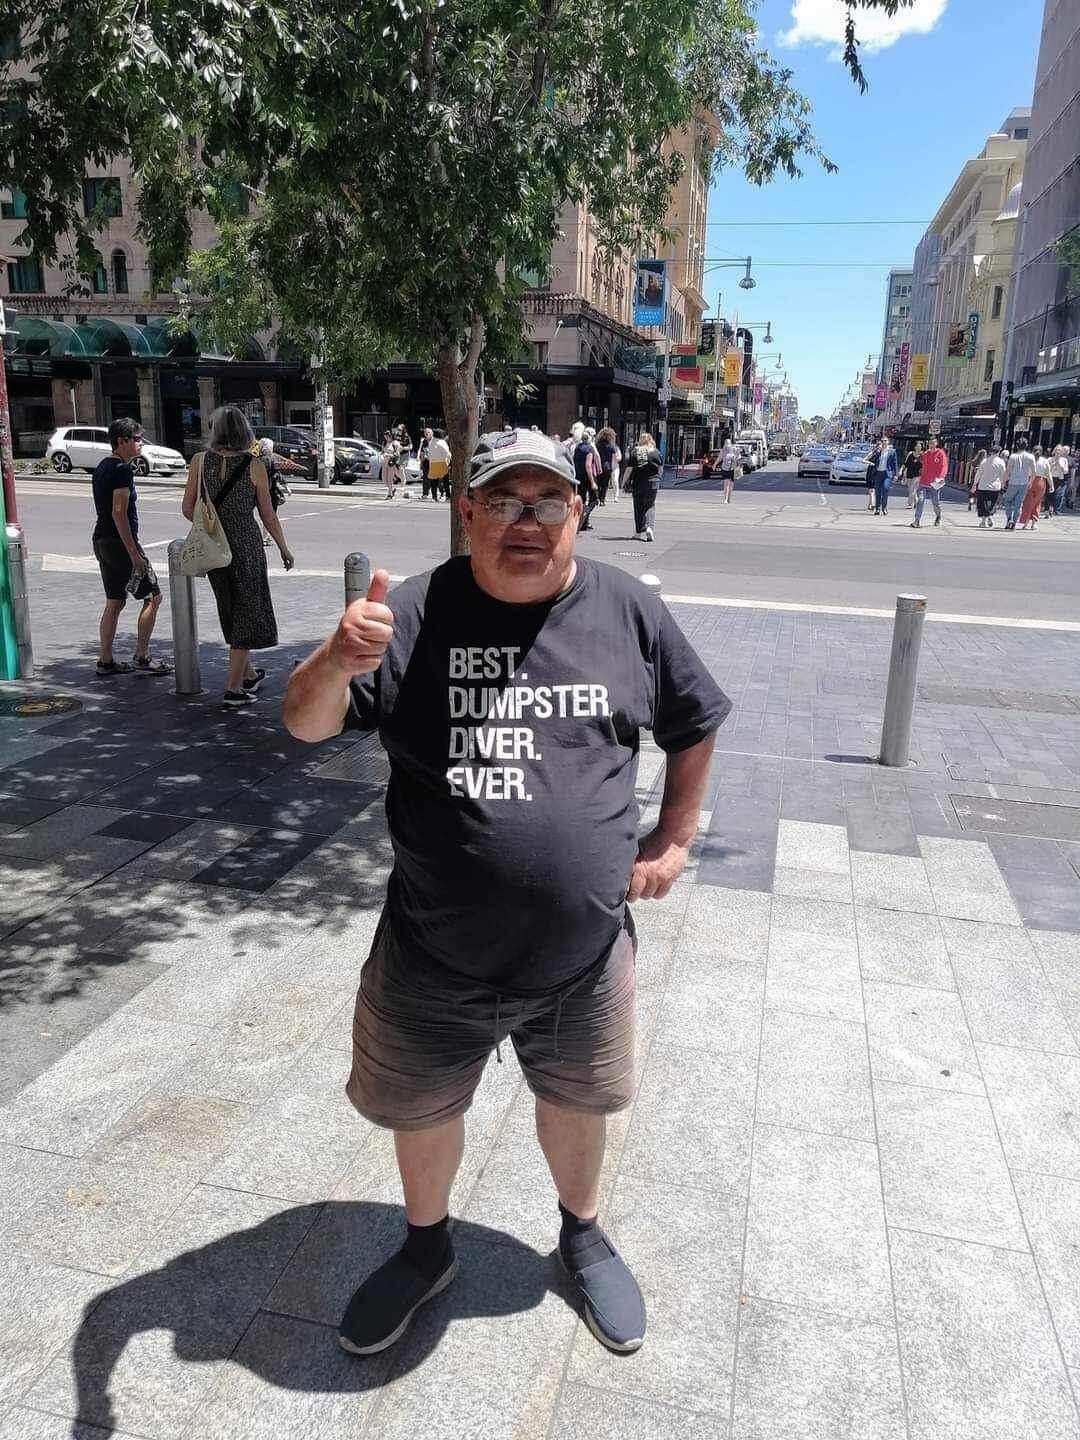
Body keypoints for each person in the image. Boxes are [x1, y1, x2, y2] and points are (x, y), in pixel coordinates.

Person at [283, 426, 731, 1359]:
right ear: (468, 511)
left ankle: (581, 1235)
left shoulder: (627, 611)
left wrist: (675, 838)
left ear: (578, 511)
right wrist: (335, 660)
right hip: (429, 951)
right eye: (502, 501)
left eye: (548, 502)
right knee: (422, 1108)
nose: (526, 522)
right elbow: (305, 725)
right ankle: (425, 1246)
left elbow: (696, 720)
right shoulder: (406, 615)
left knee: (578, 1100)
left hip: (583, 955)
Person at [182, 406, 294, 707]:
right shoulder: (254, 465)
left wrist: (212, 521)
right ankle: (233, 689)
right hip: (246, 545)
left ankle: (248, 675)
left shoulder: (199, 461)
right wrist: (283, 548)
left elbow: (187, 508)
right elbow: (268, 516)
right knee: (247, 610)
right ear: (245, 432)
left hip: (214, 547)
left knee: (230, 606)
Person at [92, 417, 171, 677]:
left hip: (102, 540)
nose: (140, 443)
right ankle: (143, 656)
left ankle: (105, 660)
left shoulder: (103, 466)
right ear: (121, 441)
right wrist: (135, 554)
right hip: (119, 543)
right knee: (153, 596)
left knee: (114, 600)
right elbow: (119, 514)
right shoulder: (121, 470)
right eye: (136, 439)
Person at [623, 431, 663, 540]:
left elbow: (629, 469)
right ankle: (650, 527)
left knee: (638, 506)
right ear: (651, 440)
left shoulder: (636, 452)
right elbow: (660, 468)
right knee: (650, 505)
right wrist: (658, 478)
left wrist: (623, 482)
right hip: (653, 482)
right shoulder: (656, 452)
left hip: (639, 482)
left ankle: (638, 532)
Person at [912, 438, 947, 528]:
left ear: (936, 444)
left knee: (935, 502)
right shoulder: (926, 454)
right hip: (924, 481)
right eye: (929, 443)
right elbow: (919, 459)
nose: (931, 445)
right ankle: (917, 520)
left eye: (933, 443)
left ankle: (938, 516)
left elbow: (944, 466)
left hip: (935, 482)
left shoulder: (940, 453)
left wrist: (941, 477)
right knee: (920, 500)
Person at [1002, 437, 1035, 529]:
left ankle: (1009, 518)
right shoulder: (1030, 457)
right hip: (1024, 483)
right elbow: (1033, 472)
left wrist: (1003, 482)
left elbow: (1008, 471)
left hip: (1013, 482)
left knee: (1007, 500)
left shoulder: (1013, 457)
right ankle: (1014, 522)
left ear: (1017, 446)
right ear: (1026, 445)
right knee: (1018, 503)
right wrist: (1030, 482)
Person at [574, 427, 600, 531]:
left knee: (582, 499)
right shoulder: (589, 448)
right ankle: (584, 520)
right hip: (587, 477)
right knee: (594, 499)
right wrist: (593, 482)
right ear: (589, 438)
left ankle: (583, 522)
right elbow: (588, 465)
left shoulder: (577, 447)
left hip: (578, 476)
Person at [973, 444, 1006, 528]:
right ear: (998, 452)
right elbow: (1003, 475)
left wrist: (974, 484)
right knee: (992, 504)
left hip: (983, 486)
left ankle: (983, 521)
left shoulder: (984, 461)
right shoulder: (1001, 462)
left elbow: (978, 474)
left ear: (991, 452)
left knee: (982, 504)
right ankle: (989, 516)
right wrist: (1003, 485)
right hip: (995, 487)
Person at [1020, 447, 1052, 529]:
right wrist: (1051, 485)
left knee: (1027, 502)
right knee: (1037, 503)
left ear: (1032, 451)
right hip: (1040, 482)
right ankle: (1033, 523)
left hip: (1029, 480)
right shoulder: (1045, 461)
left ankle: (1026, 523)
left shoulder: (1028, 460)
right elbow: (1048, 474)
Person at [872, 435, 897, 516]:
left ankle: (884, 508)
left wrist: (896, 474)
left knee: (885, 489)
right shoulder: (878, 451)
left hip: (887, 474)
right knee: (878, 492)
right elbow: (872, 460)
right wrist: (876, 451)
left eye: (885, 441)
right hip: (878, 473)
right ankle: (877, 509)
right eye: (882, 441)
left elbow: (894, 464)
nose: (884, 443)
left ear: (888, 442)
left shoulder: (892, 451)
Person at [427, 428, 452, 501]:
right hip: (442, 463)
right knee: (445, 481)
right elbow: (447, 453)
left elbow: (430, 454)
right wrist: (449, 460)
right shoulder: (442, 442)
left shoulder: (431, 442)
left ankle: (434, 497)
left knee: (434, 482)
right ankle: (448, 496)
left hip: (433, 463)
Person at [596, 426, 618, 506]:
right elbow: (615, 457)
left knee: (598, 483)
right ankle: (602, 500)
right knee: (605, 484)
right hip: (608, 467)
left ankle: (597, 498)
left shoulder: (597, 444)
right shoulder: (611, 445)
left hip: (598, 466)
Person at [901, 442, 923, 508]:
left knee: (912, 489)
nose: (919, 448)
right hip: (909, 474)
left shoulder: (922, 455)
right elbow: (906, 463)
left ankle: (910, 504)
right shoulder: (910, 454)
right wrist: (901, 470)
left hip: (917, 475)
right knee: (911, 490)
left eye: (920, 446)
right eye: (917, 446)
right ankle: (916, 501)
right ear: (915, 447)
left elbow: (925, 465)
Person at [718, 438, 738, 505]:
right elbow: (719, 458)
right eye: (726, 443)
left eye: (728, 443)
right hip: (725, 469)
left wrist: (735, 459)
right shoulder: (723, 451)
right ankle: (725, 499)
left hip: (732, 469)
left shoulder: (734, 450)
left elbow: (738, 458)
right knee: (726, 484)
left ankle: (729, 498)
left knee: (731, 485)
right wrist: (714, 464)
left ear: (730, 444)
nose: (727, 445)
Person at [418, 427, 434, 500]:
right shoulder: (424, 441)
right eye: (425, 433)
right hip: (425, 462)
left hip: (433, 462)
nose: (427, 434)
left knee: (434, 479)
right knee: (425, 478)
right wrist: (421, 462)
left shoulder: (434, 441)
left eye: (428, 433)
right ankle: (425, 494)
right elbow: (422, 452)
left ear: (431, 433)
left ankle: (438, 493)